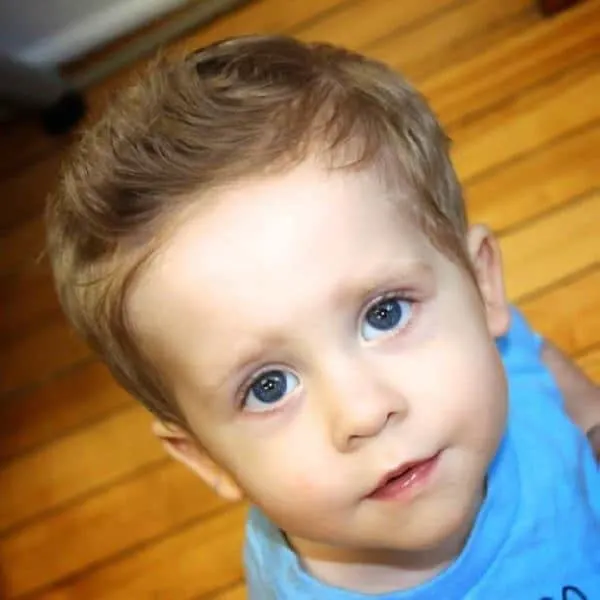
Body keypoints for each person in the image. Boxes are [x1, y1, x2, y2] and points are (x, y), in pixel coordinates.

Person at [46, 35, 600, 598]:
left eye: (384, 314)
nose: (363, 411)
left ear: (482, 289)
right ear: (206, 457)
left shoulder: (491, 351)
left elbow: (554, 381)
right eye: (268, 386)